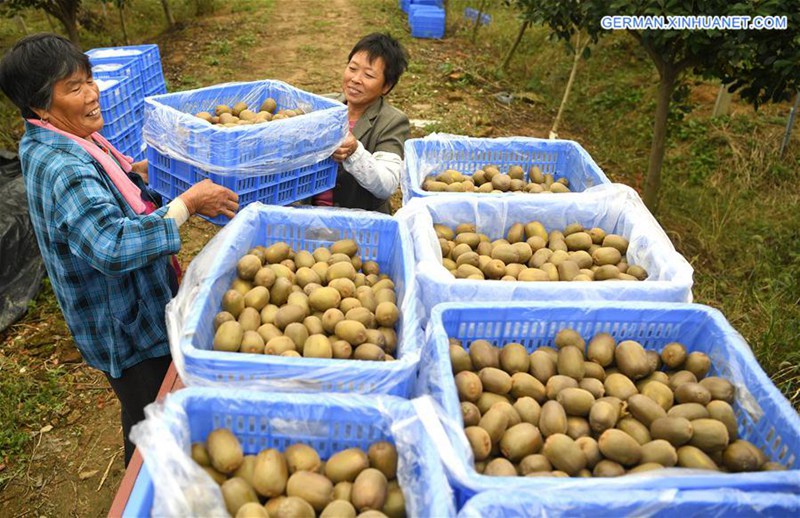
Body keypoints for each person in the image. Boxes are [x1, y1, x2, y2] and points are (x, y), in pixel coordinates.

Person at [0, 33, 239, 466]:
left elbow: (109, 183)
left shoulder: (59, 136)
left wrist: (141, 173)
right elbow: (111, 245)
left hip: (133, 306)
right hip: (123, 325)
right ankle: (146, 487)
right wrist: (187, 205)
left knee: (142, 411)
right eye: (74, 88)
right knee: (153, 418)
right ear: (39, 105)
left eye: (89, 80)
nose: (92, 93)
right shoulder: (63, 166)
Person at [315, 33, 410, 213]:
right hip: (307, 215)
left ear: (386, 86)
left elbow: (387, 183)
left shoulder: (393, 122)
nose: (356, 79)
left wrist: (355, 152)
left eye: (368, 75)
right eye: (352, 68)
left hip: (359, 221)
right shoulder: (323, 105)